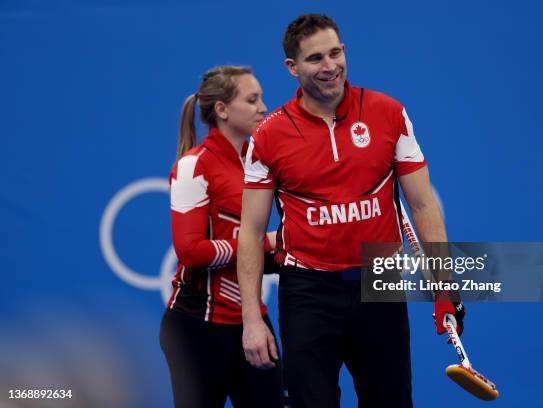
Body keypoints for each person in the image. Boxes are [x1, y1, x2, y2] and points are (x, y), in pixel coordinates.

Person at [237, 14, 465, 408]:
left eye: (335, 53)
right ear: (292, 68)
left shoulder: (388, 113)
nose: (330, 67)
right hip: (307, 292)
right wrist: (252, 320)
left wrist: (444, 286)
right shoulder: (268, 135)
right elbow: (251, 231)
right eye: (315, 59)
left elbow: (423, 204)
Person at [159, 66, 284, 408]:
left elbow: (260, 252)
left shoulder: (260, 164)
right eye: (252, 99)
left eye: (262, 98)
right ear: (222, 110)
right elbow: (190, 252)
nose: (264, 107)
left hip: (251, 319)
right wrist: (267, 243)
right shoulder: (193, 165)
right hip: (196, 327)